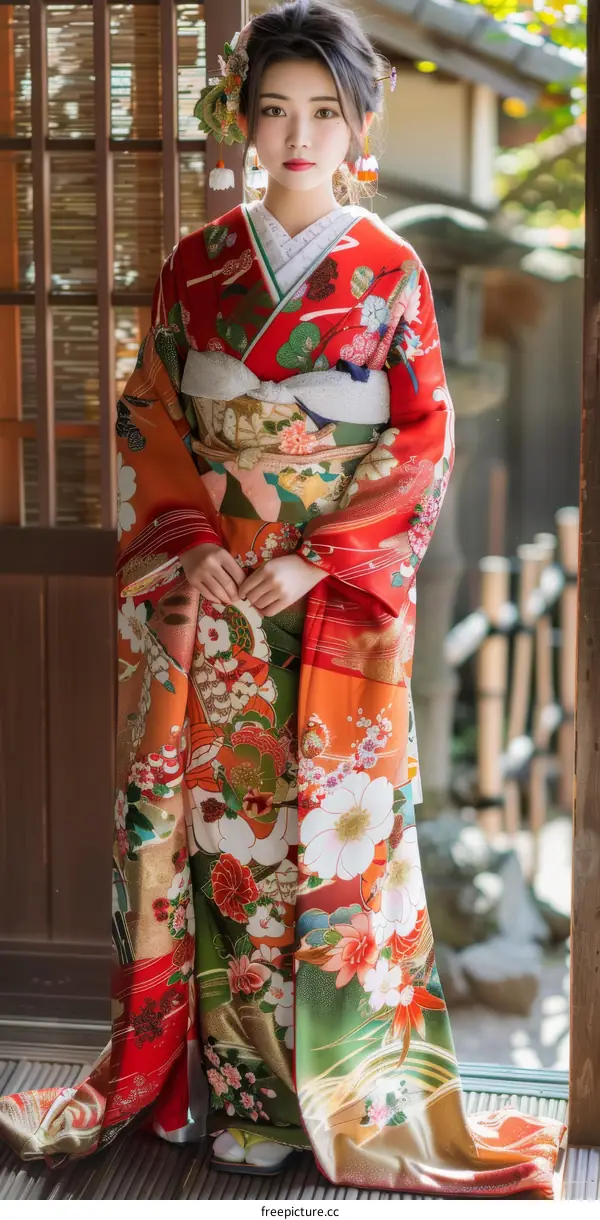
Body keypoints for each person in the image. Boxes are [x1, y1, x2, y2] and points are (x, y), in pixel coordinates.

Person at [0, 0, 565, 1196]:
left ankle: (349, 1092)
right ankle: (235, 1089)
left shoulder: (391, 271)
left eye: (323, 110)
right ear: (242, 121)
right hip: (210, 600)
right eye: (273, 109)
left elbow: (420, 440)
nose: (297, 134)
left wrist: (322, 555)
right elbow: (152, 411)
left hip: (332, 598)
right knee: (225, 842)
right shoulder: (197, 266)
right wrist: (192, 537)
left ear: (360, 123)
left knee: (337, 849)